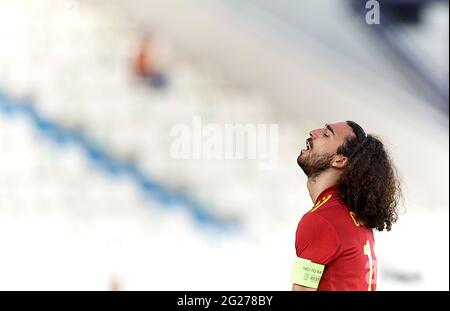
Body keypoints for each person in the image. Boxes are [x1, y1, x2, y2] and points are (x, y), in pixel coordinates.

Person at [291, 121, 402, 291]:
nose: (313, 132)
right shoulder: (354, 219)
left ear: (340, 160)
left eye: (327, 134)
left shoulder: (322, 220)